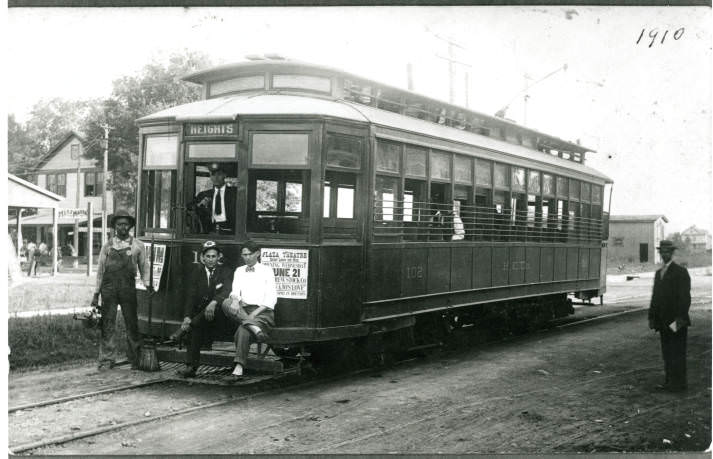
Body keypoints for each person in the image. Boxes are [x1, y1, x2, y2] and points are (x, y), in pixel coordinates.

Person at [91, 210, 149, 371]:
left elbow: (145, 267)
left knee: (132, 323)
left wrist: (147, 284)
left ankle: (135, 359)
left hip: (128, 288)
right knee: (107, 323)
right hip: (108, 289)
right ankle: (106, 359)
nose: (122, 227)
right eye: (119, 224)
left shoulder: (138, 245)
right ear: (115, 227)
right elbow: (100, 271)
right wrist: (96, 294)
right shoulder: (107, 246)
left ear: (130, 226)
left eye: (125, 224)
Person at [171, 240, 235, 378]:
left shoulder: (226, 272)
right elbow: (190, 297)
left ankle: (183, 330)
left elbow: (228, 291)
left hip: (221, 317)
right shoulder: (195, 273)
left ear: (219, 257)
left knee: (205, 315)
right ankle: (191, 367)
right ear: (202, 258)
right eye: (208, 256)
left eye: (214, 256)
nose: (211, 260)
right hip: (202, 318)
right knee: (195, 327)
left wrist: (214, 302)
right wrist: (187, 316)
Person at [221, 240, 277, 383]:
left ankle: (238, 368)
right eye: (244, 255)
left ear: (257, 253)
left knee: (242, 330)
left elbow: (271, 298)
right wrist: (234, 300)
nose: (246, 258)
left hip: (262, 313)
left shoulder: (267, 270)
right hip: (242, 310)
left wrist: (253, 314)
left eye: (249, 254)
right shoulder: (239, 271)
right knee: (226, 303)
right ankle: (253, 327)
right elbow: (235, 292)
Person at [648, 240, 691, 392]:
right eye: (662, 252)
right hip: (663, 322)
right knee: (667, 353)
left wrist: (678, 321)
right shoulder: (658, 273)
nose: (664, 254)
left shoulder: (681, 272)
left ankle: (679, 384)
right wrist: (652, 318)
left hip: (677, 321)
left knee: (677, 353)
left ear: (672, 253)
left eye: (667, 251)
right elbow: (655, 297)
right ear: (660, 253)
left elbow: (685, 299)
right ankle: (669, 382)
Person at [192, 163, 237, 235]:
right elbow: (191, 210)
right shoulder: (203, 195)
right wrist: (200, 205)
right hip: (209, 233)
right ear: (210, 177)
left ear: (224, 175)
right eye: (213, 175)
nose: (215, 178)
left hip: (231, 234)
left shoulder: (235, 194)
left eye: (219, 174)